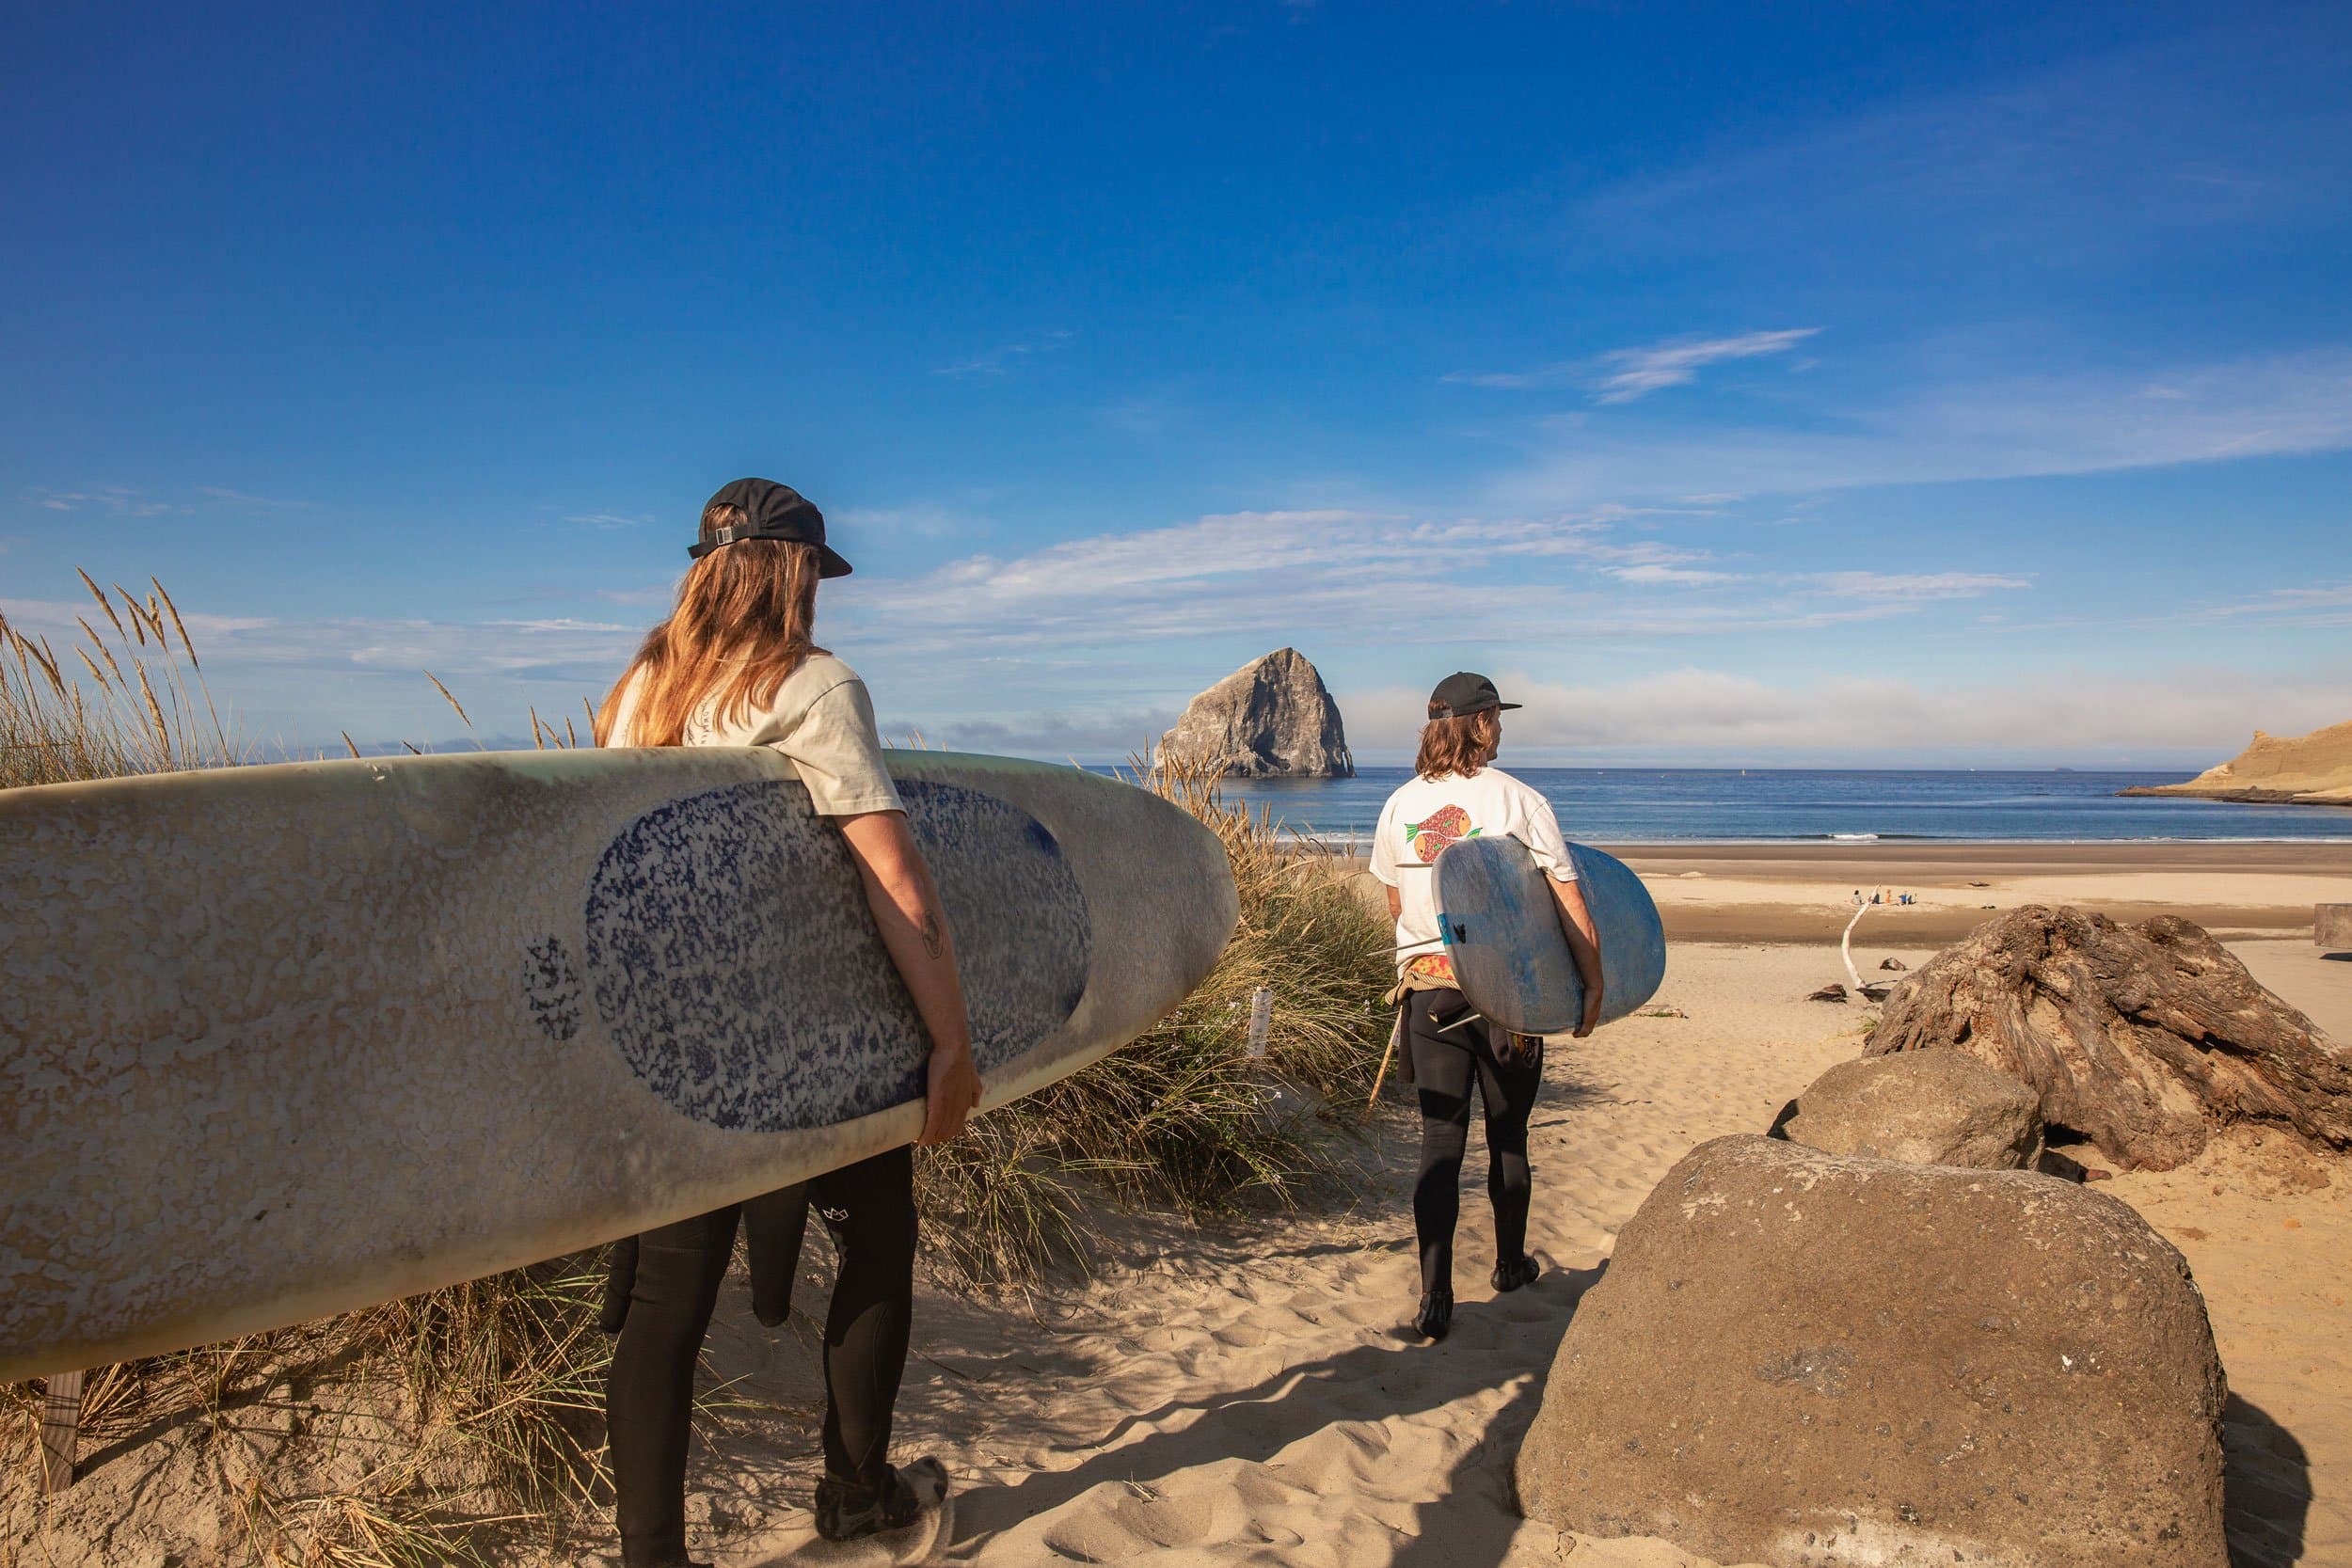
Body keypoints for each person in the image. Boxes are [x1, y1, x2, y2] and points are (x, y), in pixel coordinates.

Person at [593, 478, 982, 1566]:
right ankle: (857, 1492)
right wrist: (950, 1043)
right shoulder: (816, 685)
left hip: (677, 1051)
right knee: (876, 1244)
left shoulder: (636, 695)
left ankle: (651, 1555)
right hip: (808, 1051)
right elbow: (894, 882)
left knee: (669, 1306)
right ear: (792, 571)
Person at [1369, 673, 1604, 1343]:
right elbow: (1566, 897)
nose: (1501, 727)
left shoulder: (1398, 805)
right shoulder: (1519, 800)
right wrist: (1592, 983)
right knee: (1508, 1137)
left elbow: (1396, 903)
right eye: (1495, 716)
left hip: (1430, 991)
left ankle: (1435, 1296)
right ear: (1477, 723)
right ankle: (1507, 1265)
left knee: (1440, 1141)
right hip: (1507, 1001)